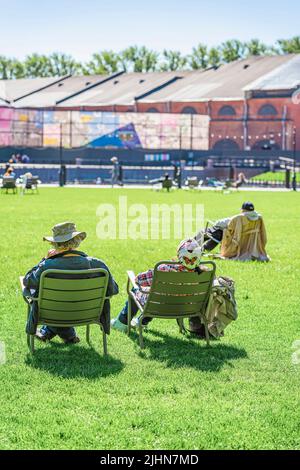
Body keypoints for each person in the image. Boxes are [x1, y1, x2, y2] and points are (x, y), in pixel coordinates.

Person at [22, 222, 119, 343]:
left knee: (49, 302)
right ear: (76, 241)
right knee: (66, 304)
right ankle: (66, 334)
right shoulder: (98, 265)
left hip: (52, 312)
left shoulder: (47, 266)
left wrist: (44, 260)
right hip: (86, 313)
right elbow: (113, 290)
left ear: (55, 244)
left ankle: (53, 332)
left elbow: (27, 281)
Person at [111, 238, 207, 333]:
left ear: (179, 255)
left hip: (158, 306)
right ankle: (141, 322)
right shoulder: (205, 274)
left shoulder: (164, 268)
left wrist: (135, 278)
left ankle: (122, 323)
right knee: (158, 295)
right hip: (186, 308)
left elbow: (139, 280)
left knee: (140, 291)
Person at [196, 202, 269, 261]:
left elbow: (218, 223)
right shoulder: (259, 218)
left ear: (243, 210)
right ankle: (204, 248)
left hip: (234, 242)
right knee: (218, 233)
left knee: (214, 232)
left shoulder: (239, 218)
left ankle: (192, 246)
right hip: (248, 244)